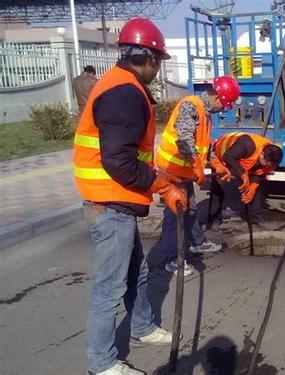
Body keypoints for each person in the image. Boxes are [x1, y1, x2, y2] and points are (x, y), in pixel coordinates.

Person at [73, 18, 187, 375]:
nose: (158, 68)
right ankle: (102, 364)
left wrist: (159, 183)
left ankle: (141, 327)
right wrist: (163, 185)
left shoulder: (123, 84)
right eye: (159, 61)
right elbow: (120, 161)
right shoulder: (124, 92)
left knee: (135, 273)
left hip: (118, 202)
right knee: (109, 289)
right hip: (109, 205)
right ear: (150, 58)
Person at [154, 76, 240, 276]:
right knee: (175, 216)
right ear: (217, 97)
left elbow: (204, 146)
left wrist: (217, 166)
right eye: (224, 105)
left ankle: (196, 243)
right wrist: (196, 167)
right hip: (172, 171)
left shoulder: (205, 113)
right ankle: (172, 259)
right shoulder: (190, 106)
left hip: (184, 172)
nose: (222, 110)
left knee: (190, 210)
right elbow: (184, 139)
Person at [210, 132, 283, 219]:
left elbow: (259, 173)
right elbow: (228, 157)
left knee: (255, 189)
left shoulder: (272, 156)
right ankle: (214, 218)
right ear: (261, 155)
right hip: (220, 156)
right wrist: (243, 174)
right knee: (222, 186)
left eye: (271, 166)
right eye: (267, 164)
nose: (269, 167)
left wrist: (252, 188)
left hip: (242, 160)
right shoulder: (247, 144)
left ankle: (255, 218)